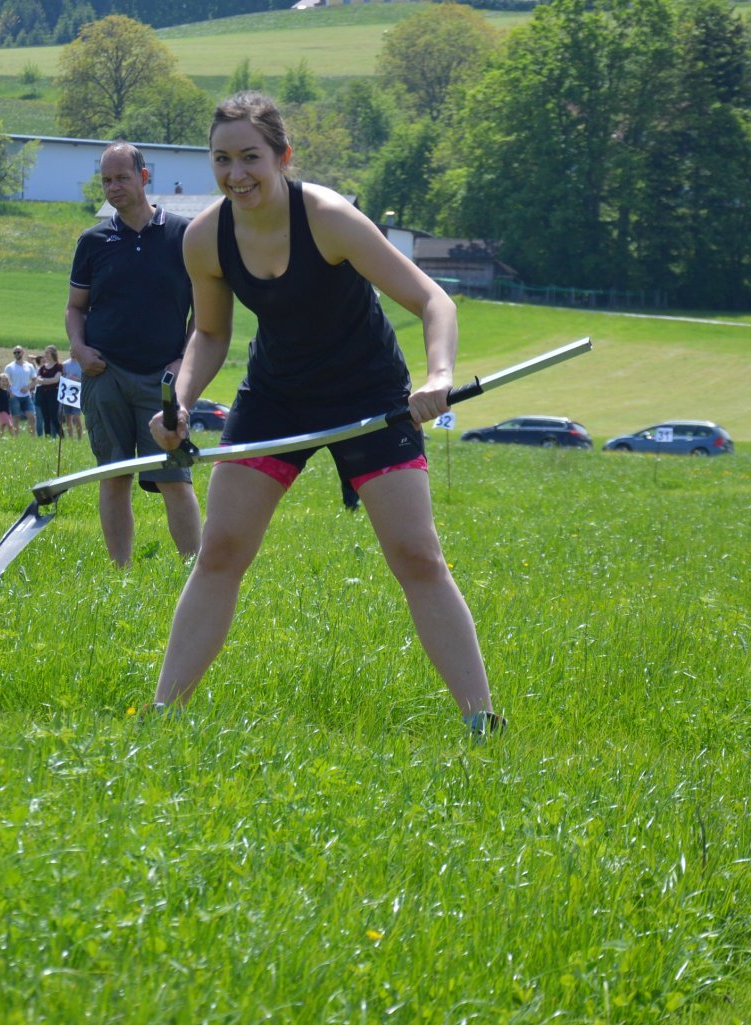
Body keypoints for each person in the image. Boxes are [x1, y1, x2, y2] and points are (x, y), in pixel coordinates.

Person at [147, 92, 500, 737]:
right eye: (221, 160)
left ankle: (481, 720)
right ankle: (162, 715)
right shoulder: (206, 238)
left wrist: (439, 378)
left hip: (369, 395)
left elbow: (434, 301)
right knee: (219, 551)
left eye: (250, 157)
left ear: (283, 156)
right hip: (275, 398)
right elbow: (211, 335)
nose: (236, 174)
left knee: (416, 555)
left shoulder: (329, 218)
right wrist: (182, 401)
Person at [66, 141, 203, 566]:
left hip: (162, 380)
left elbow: (204, 314)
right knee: (113, 476)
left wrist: (183, 362)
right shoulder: (93, 241)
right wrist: (79, 349)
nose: (113, 187)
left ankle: (194, 572)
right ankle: (120, 572)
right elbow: (75, 308)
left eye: (122, 178)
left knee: (174, 477)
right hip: (105, 374)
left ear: (144, 177)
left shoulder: (183, 235)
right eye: (106, 180)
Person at [3, 345, 37, 435]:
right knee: (16, 418)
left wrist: (28, 387)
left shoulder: (29, 366)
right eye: (14, 353)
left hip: (26, 396)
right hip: (15, 396)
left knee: (32, 417)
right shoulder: (9, 367)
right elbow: (4, 382)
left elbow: (35, 380)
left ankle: (32, 438)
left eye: (18, 352)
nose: (16, 354)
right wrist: (10, 392)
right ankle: (16, 438)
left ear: (22, 352)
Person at [35, 343, 64, 438]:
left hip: (53, 393)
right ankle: (47, 438)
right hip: (43, 393)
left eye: (48, 353)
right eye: (45, 353)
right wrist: (47, 381)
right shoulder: (43, 367)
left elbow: (56, 379)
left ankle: (62, 437)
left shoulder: (58, 366)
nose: (46, 355)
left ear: (53, 354)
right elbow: (38, 379)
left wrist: (44, 381)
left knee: (54, 416)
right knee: (45, 417)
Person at [59, 351, 84, 439]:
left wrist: (76, 378)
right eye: (71, 351)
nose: (72, 353)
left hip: (77, 392)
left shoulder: (81, 364)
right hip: (67, 392)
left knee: (77, 416)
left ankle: (79, 438)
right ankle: (71, 437)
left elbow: (84, 378)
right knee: (68, 416)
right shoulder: (65, 364)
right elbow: (62, 376)